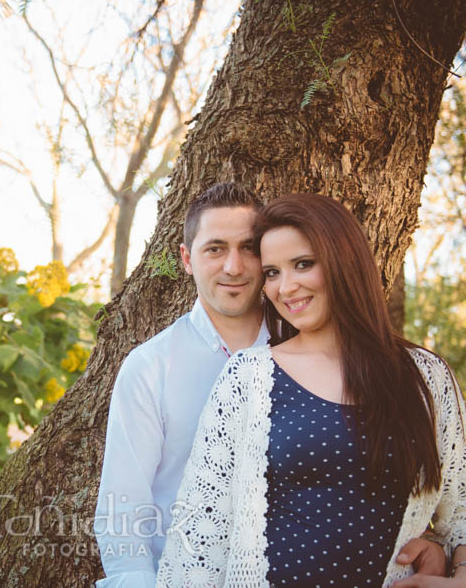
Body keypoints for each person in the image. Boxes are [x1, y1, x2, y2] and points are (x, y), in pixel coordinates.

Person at [94, 184, 447, 588]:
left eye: (248, 248)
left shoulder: (314, 346)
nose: (234, 266)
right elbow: (123, 510)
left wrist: (432, 541)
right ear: (187, 259)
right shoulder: (151, 367)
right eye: (215, 249)